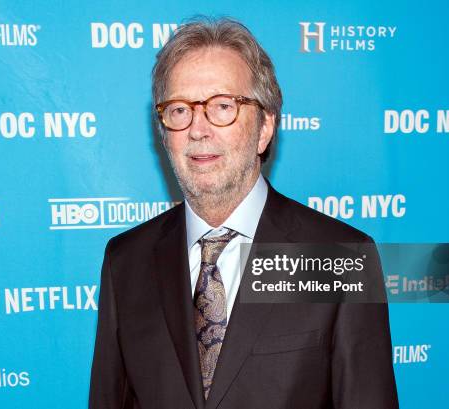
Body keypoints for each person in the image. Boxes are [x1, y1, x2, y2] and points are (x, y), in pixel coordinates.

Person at [89, 17, 398, 409]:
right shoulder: (126, 260)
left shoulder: (339, 260)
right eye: (179, 110)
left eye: (222, 106)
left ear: (265, 126)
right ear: (163, 131)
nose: (198, 129)